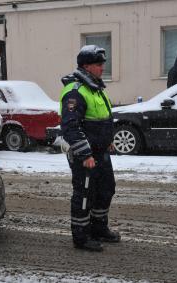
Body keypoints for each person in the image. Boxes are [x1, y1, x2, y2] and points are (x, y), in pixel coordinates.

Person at [59, 45, 120, 252]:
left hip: (100, 153)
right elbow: (70, 127)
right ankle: (81, 237)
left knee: (106, 190)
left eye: (102, 63)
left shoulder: (95, 88)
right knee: (85, 194)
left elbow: (102, 119)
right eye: (98, 64)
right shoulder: (75, 92)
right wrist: (85, 154)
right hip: (86, 156)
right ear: (86, 66)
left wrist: (107, 140)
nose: (103, 67)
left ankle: (98, 228)